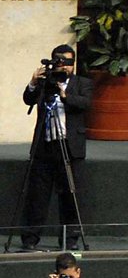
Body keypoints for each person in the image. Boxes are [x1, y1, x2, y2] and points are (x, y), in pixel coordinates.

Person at [20, 44, 93, 251]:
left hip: (70, 148)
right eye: (60, 62)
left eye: (68, 63)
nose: (64, 67)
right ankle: (30, 239)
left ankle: (69, 240)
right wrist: (34, 82)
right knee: (38, 196)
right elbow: (28, 99)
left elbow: (85, 104)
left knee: (70, 194)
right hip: (45, 147)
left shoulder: (82, 83)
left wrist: (64, 94)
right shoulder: (45, 83)